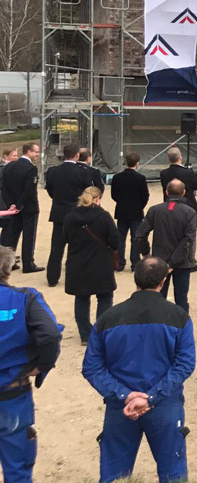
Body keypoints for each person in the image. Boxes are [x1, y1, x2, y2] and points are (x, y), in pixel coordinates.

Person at [82, 257, 194, 483]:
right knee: (174, 480)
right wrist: (151, 397)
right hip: (164, 405)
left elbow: (92, 367)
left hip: (121, 407)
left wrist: (125, 395)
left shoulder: (107, 318)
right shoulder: (179, 317)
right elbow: (185, 364)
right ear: (163, 281)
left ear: (136, 280)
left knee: (115, 481)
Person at [0, 246, 62, 483]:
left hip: (12, 394)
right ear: (8, 269)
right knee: (17, 469)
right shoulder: (25, 299)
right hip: (12, 394)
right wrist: (41, 366)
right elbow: (50, 335)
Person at [63, 186, 119, 344]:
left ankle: (85, 334)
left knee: (81, 298)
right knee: (105, 297)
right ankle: (101, 331)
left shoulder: (70, 217)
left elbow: (65, 237)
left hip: (77, 261)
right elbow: (114, 240)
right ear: (97, 199)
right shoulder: (103, 216)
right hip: (101, 262)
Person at [135, 180, 197, 313]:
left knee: (157, 297)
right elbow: (188, 240)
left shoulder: (155, 210)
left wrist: (146, 253)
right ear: (184, 192)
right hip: (182, 261)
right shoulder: (190, 212)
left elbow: (140, 234)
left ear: (166, 192)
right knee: (181, 299)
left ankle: (157, 322)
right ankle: (181, 323)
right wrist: (173, 262)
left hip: (160, 260)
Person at [44, 143, 93, 286]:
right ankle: (76, 276)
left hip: (59, 212)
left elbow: (50, 190)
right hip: (77, 213)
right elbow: (88, 192)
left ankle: (52, 277)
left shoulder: (52, 171)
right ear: (77, 155)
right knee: (78, 247)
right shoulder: (83, 172)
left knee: (56, 248)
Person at [1, 143, 41, 274]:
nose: (37, 154)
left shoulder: (10, 166)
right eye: (36, 152)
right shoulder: (31, 168)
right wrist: (19, 204)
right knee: (29, 236)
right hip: (28, 207)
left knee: (12, 235)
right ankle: (28, 264)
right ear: (28, 152)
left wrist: (11, 204)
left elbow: (4, 187)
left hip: (13, 208)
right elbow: (29, 190)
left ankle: (9, 263)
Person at [110, 152, 150, 272]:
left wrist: (121, 202)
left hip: (122, 210)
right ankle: (135, 263)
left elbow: (114, 194)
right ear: (137, 163)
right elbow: (145, 195)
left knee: (120, 238)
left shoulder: (117, 177)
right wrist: (139, 206)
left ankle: (120, 263)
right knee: (135, 238)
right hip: (136, 211)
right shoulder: (140, 178)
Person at [157, 147, 197, 228]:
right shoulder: (188, 172)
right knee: (189, 229)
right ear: (180, 157)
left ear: (168, 158)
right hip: (187, 204)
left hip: (170, 205)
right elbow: (196, 185)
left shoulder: (164, 173)